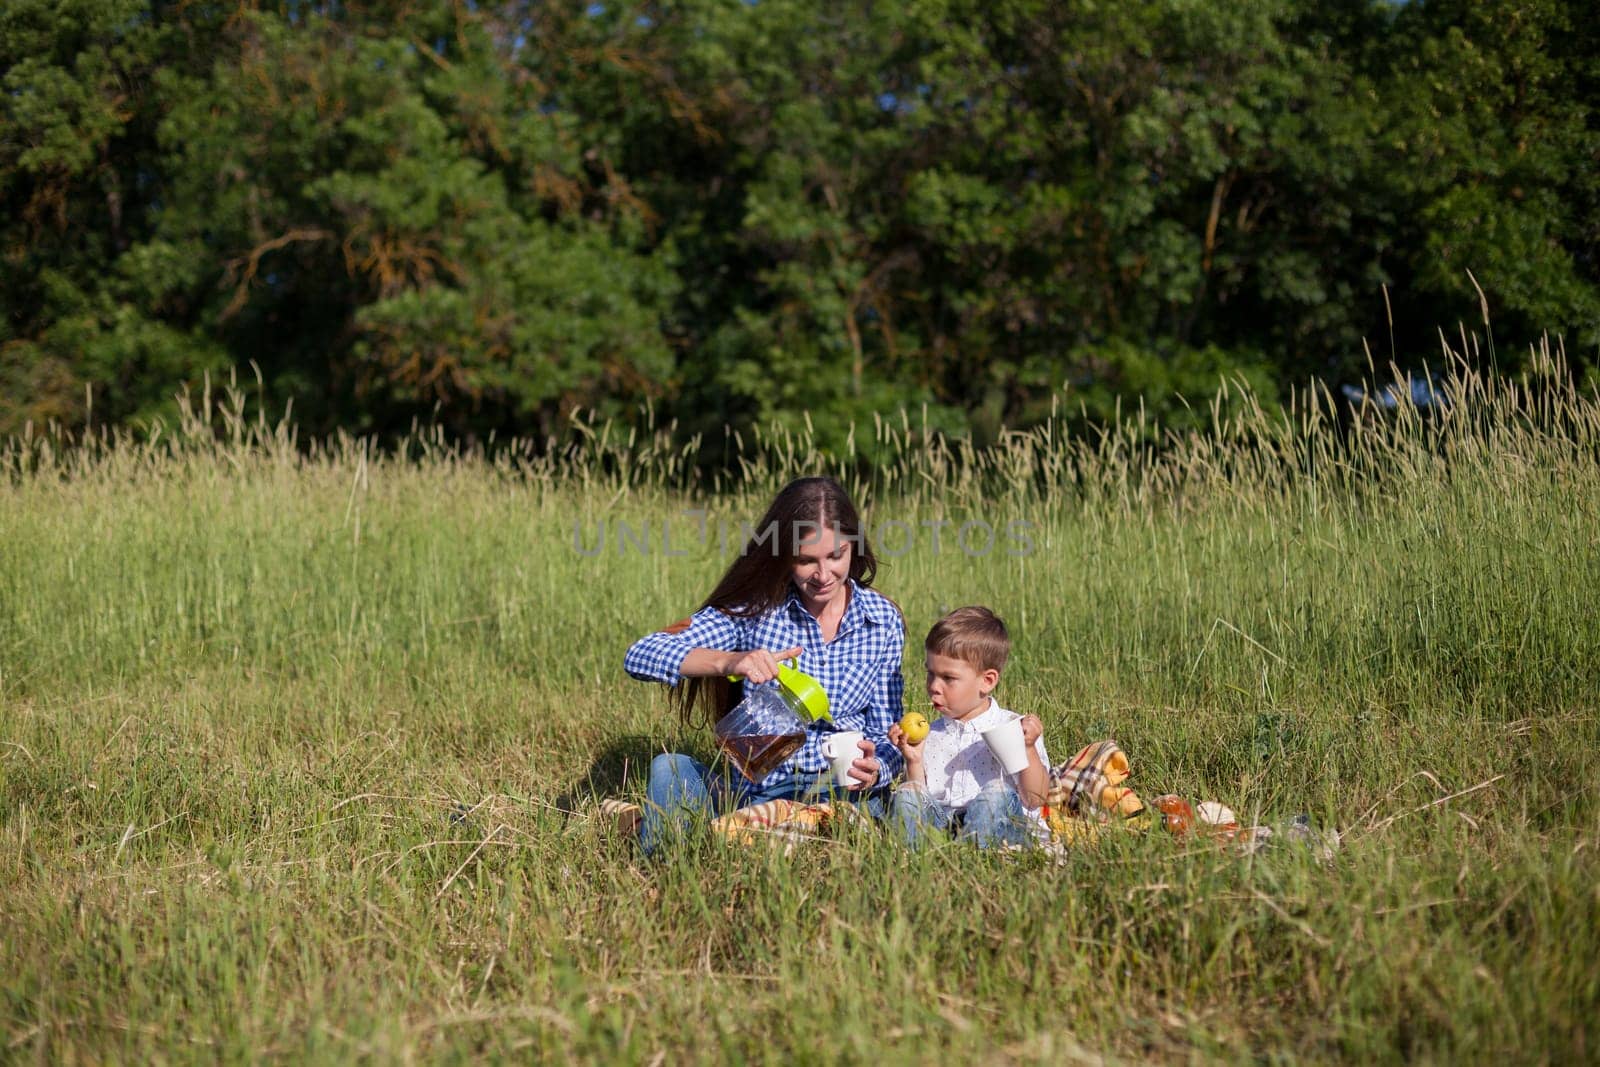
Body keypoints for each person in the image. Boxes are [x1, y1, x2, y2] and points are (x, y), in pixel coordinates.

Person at [623, 476, 905, 854]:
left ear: (853, 546)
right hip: (761, 787)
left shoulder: (882, 619)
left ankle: (741, 832)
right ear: (784, 557)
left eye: (836, 556)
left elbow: (888, 731)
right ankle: (668, 867)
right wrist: (730, 661)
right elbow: (641, 654)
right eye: (806, 561)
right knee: (668, 770)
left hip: (842, 794)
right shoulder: (756, 611)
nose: (823, 575)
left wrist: (878, 769)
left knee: (843, 816)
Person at [887, 606, 1050, 849]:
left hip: (1001, 824)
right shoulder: (931, 733)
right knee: (908, 792)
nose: (934, 686)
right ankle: (913, 855)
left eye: (948, 678)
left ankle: (978, 853)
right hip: (945, 825)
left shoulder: (1014, 728)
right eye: (930, 674)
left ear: (987, 681)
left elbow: (1036, 798)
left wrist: (1027, 748)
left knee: (996, 793)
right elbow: (924, 799)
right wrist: (914, 761)